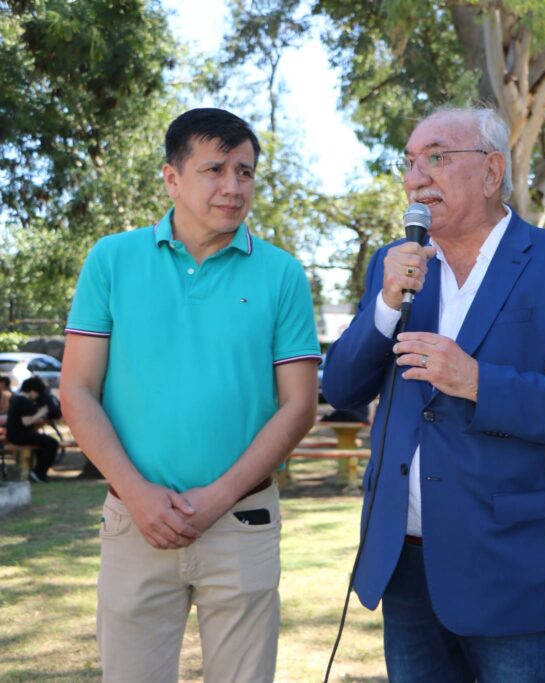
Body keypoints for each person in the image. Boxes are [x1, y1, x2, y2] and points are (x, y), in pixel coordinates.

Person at [321, 106, 545, 681]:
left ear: (491, 171)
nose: (415, 178)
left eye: (436, 157)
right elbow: (341, 387)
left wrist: (477, 382)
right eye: (409, 162)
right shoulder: (395, 266)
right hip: (404, 560)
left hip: (513, 564)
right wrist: (384, 306)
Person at [60, 108, 320, 683]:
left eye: (245, 172)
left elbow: (299, 405)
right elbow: (76, 389)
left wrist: (217, 498)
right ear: (172, 178)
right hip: (134, 520)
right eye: (215, 170)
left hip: (243, 520)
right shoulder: (111, 260)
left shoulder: (282, 274)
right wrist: (138, 494)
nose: (233, 186)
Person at [5, 376, 61, 482]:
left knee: (44, 443)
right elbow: (26, 421)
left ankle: (37, 472)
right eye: (37, 393)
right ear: (32, 391)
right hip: (20, 435)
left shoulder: (16, 398)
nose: (37, 397)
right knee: (52, 443)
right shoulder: (24, 401)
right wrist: (41, 413)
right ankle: (39, 473)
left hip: (13, 434)